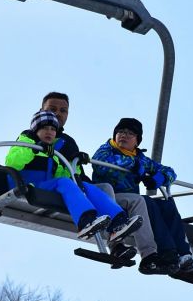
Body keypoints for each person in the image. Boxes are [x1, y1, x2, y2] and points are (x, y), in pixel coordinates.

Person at [38, 93, 171, 274]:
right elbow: (103, 169)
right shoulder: (32, 137)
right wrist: (40, 148)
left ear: (137, 140)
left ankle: (150, 255)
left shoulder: (68, 142)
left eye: (63, 111)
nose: (58, 114)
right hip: (54, 187)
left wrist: (158, 178)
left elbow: (77, 172)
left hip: (78, 189)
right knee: (105, 188)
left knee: (140, 200)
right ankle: (115, 242)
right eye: (52, 109)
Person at [92, 117, 193, 275]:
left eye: (130, 133)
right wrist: (135, 166)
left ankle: (183, 255)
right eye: (120, 132)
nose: (124, 135)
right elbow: (101, 165)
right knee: (144, 201)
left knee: (166, 202)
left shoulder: (140, 158)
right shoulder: (107, 149)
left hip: (130, 201)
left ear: (137, 141)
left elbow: (169, 171)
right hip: (110, 197)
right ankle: (163, 253)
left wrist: (159, 178)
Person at [5, 110, 141, 243]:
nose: (49, 132)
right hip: (27, 184)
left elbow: (63, 176)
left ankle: (118, 221)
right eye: (45, 128)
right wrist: (33, 149)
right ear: (36, 130)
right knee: (64, 183)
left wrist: (74, 162)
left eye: (53, 129)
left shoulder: (52, 151)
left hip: (46, 186)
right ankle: (85, 221)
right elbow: (13, 161)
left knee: (85, 186)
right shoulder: (26, 140)